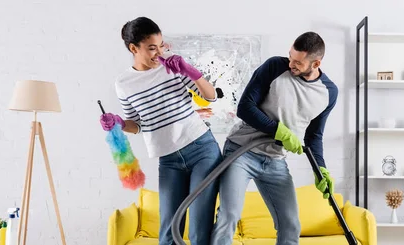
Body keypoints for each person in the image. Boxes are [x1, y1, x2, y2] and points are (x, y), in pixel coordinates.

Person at [99, 16, 222, 245]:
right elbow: (137, 125)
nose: (158, 52)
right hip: (169, 160)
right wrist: (118, 121)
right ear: (133, 48)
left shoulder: (172, 67)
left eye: (160, 45)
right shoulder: (124, 83)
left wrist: (189, 70)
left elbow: (210, 96)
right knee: (169, 232)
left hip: (202, 150)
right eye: (151, 48)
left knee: (198, 229)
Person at [210, 31, 337, 245]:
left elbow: (314, 136)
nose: (290, 64)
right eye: (290, 57)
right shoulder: (274, 67)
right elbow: (245, 108)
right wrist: (280, 131)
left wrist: (320, 169)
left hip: (275, 161)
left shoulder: (328, 93)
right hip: (241, 153)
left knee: (291, 224)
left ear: (316, 64)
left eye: (298, 62)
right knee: (229, 215)